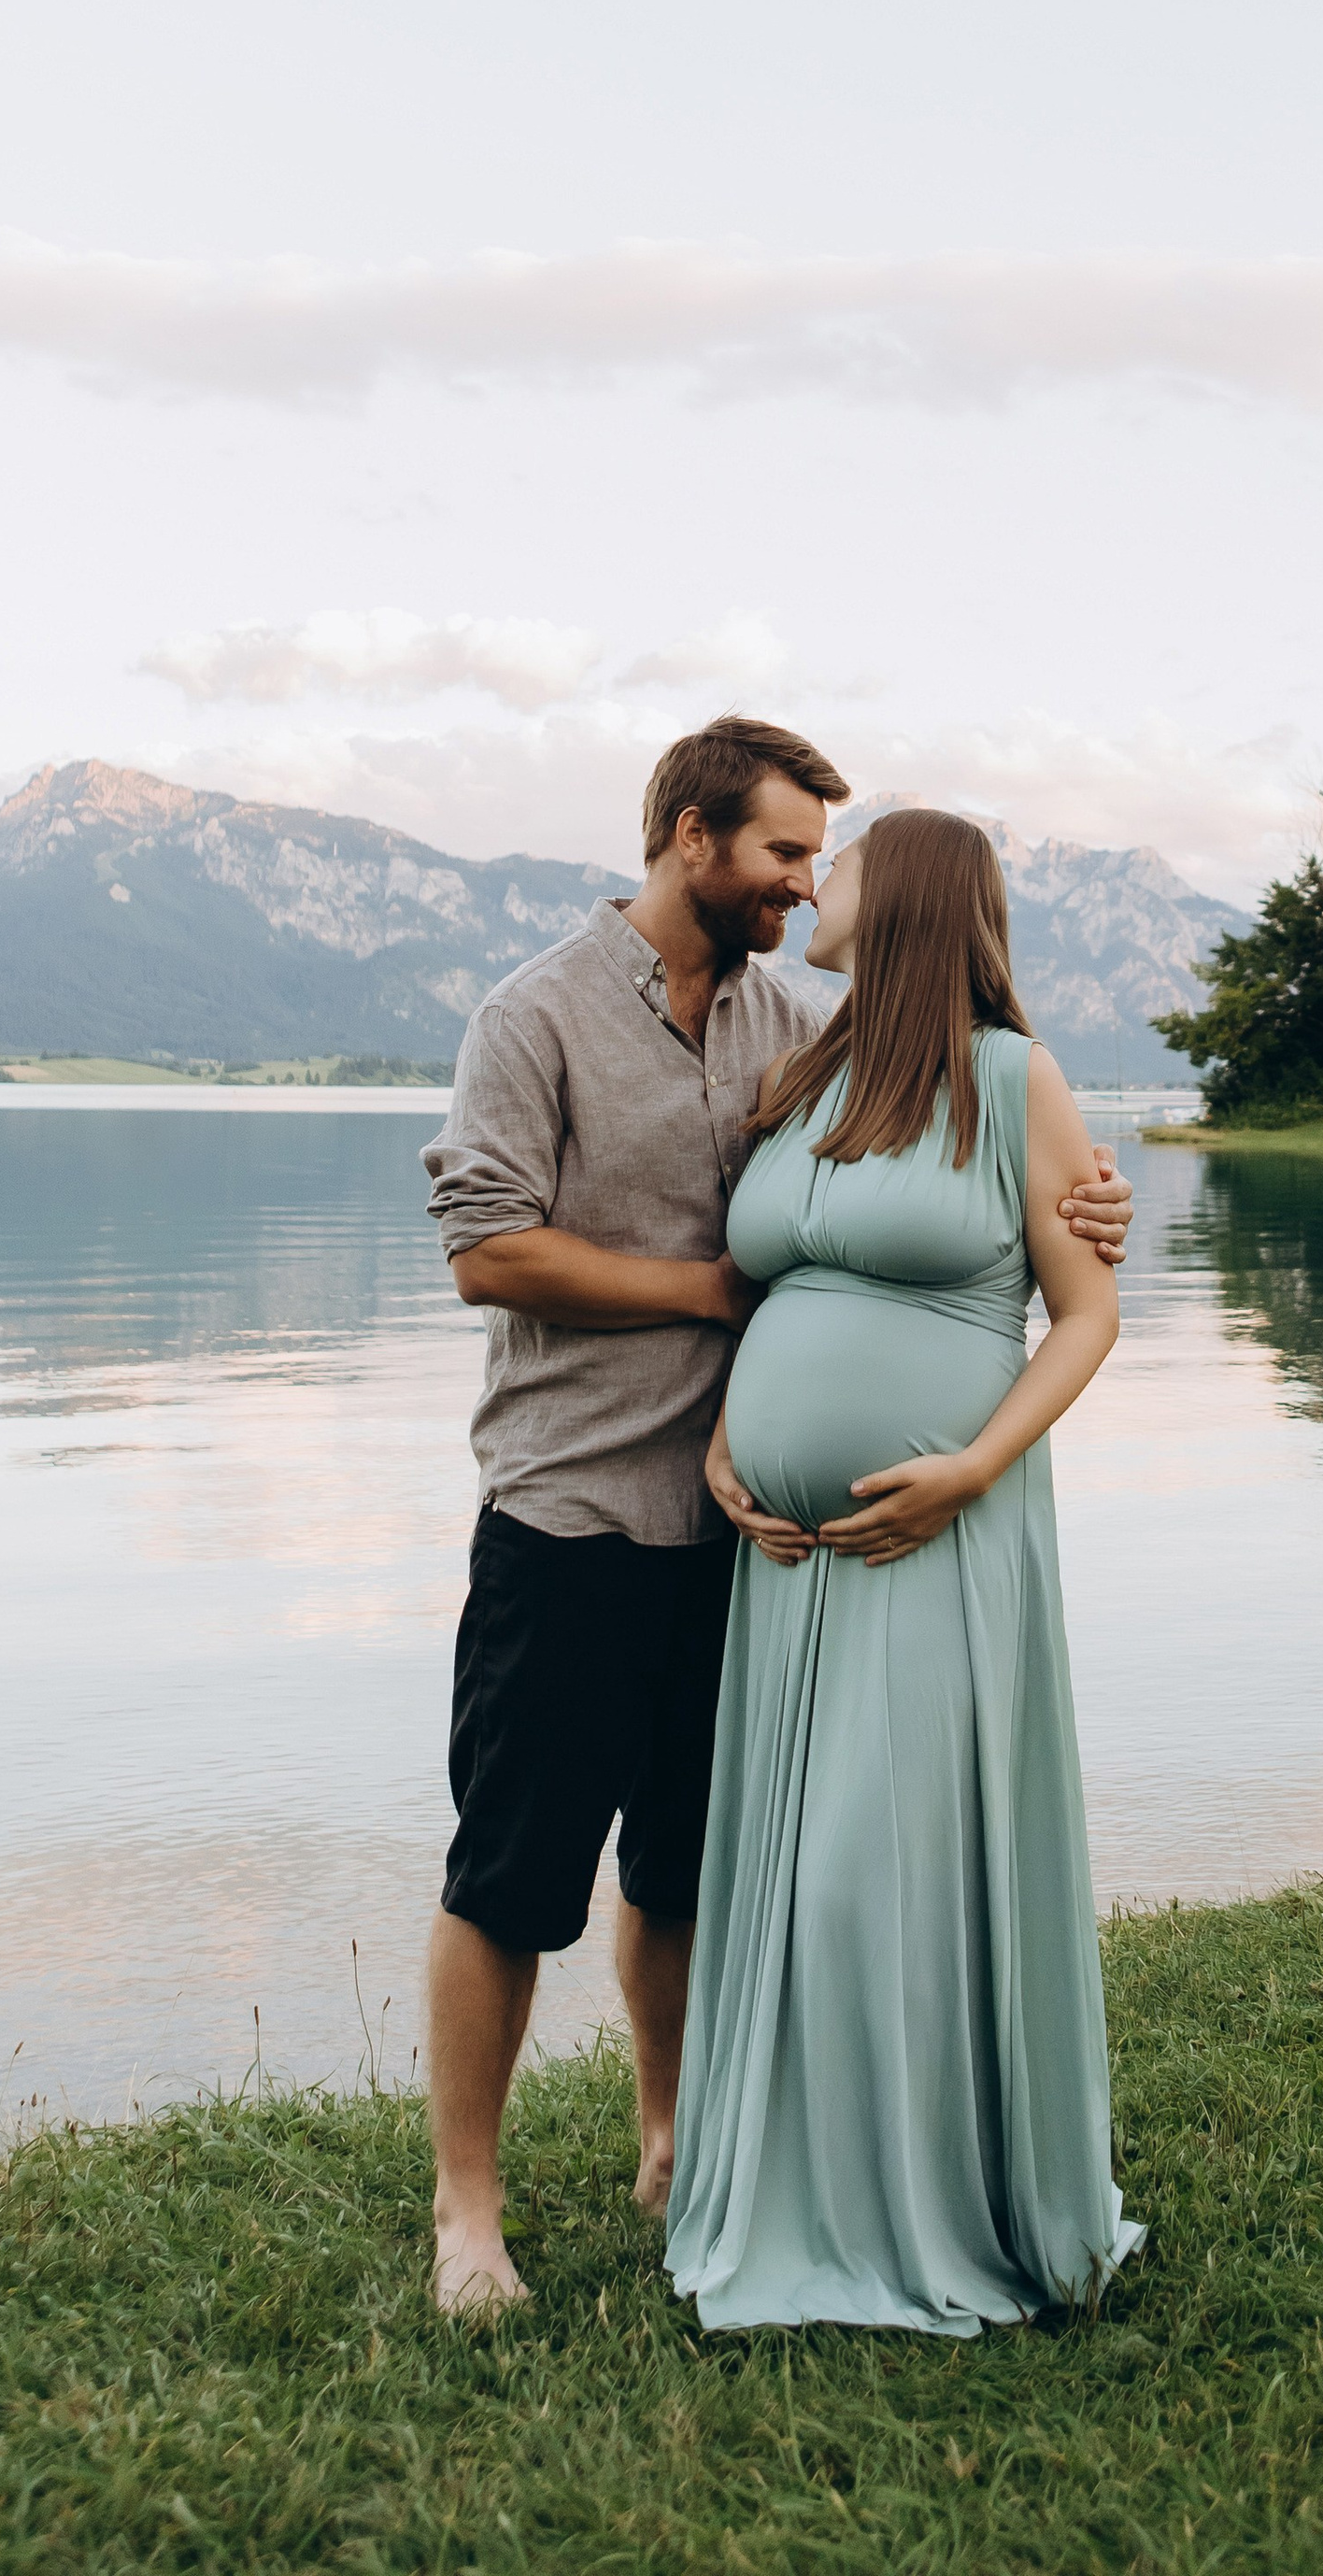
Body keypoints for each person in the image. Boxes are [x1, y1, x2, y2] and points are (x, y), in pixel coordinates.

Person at [420, 719, 1134, 2313]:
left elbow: (974, 1138)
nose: (806, 885)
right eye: (785, 855)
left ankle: (677, 2137)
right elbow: (485, 1249)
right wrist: (709, 1297)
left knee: (691, 1865)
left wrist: (1095, 1198)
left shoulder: (800, 1027)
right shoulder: (531, 1014)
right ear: (690, 836)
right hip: (574, 1503)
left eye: (826, 863)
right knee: (513, 1873)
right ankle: (470, 2213)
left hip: (743, 1546)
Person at [664, 804, 1144, 2333]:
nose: (818, 883)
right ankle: (786, 2190)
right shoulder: (806, 1071)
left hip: (934, 1541)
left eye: (842, 863)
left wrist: (973, 1468)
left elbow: (1084, 1318)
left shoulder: (1014, 1081)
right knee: (796, 1876)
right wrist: (731, 1437)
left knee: (888, 1869)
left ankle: (928, 2201)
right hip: (788, 1560)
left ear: (910, 895)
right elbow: (767, 1288)